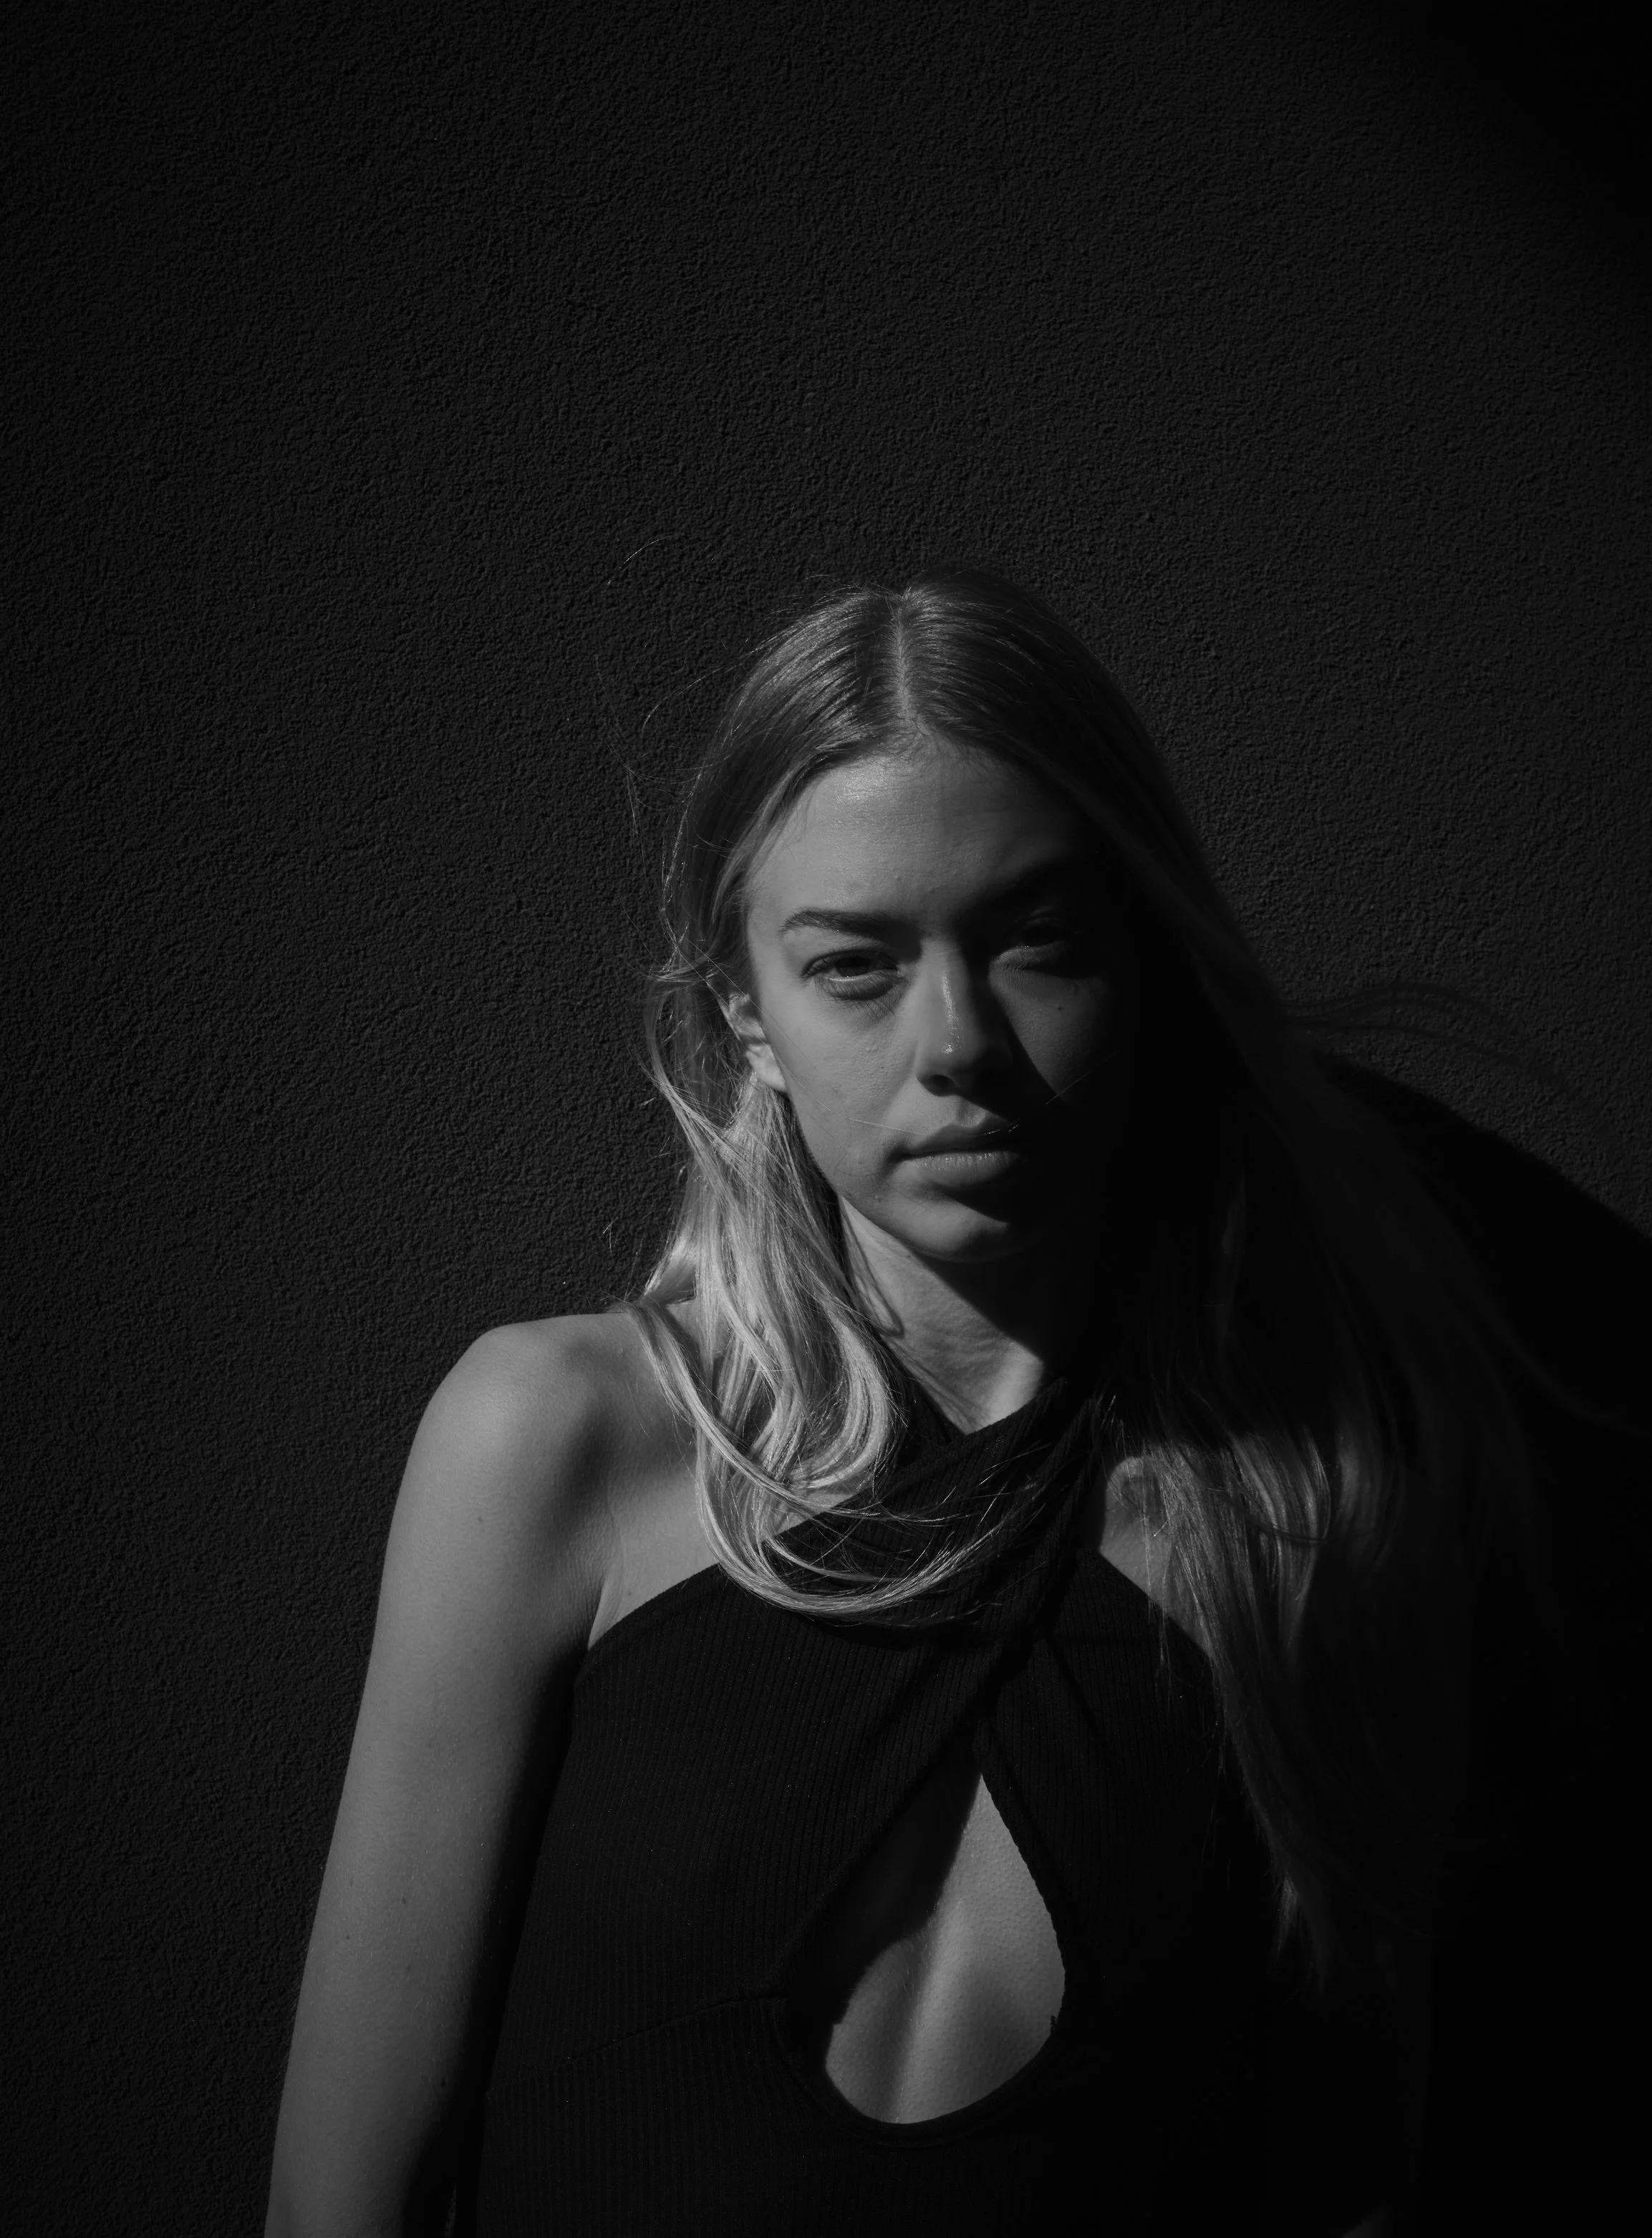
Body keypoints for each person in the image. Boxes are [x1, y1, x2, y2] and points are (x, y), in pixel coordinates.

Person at [265, 569, 1535, 2235]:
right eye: (855, 963)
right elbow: (336, 2203)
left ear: (1143, 958)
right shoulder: (556, 1442)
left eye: (1039, 940)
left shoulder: (1311, 1506)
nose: (957, 1046)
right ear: (746, 1009)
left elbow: (1357, 2182)